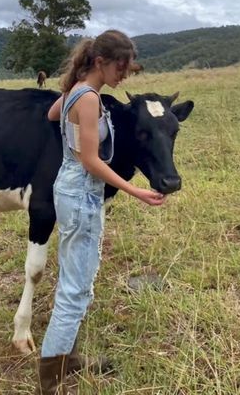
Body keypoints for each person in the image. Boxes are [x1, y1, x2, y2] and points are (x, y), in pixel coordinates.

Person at [35, 29, 165, 395]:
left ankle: (68, 360)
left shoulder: (78, 91)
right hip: (82, 195)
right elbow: (91, 161)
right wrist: (135, 189)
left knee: (75, 279)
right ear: (100, 62)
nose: (124, 74)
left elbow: (51, 113)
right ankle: (51, 380)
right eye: (120, 67)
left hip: (70, 189)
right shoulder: (89, 99)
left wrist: (74, 99)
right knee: (76, 289)